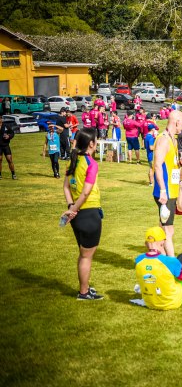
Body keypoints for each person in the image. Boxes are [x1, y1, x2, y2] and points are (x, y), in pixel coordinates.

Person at [61, 128, 104, 300]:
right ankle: (83, 293)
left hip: (77, 215)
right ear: (91, 144)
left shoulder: (72, 160)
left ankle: (85, 287)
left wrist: (71, 205)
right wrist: (74, 209)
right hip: (88, 213)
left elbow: (66, 187)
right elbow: (86, 192)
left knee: (84, 254)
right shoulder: (91, 163)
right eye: (96, 141)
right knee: (86, 256)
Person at [134, 227, 182, 310]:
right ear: (163, 242)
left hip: (150, 302)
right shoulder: (170, 261)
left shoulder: (139, 260)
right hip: (172, 302)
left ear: (146, 243)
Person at [152, 110, 182, 257]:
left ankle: (161, 258)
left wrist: (180, 163)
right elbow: (158, 165)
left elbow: (170, 163)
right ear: (176, 122)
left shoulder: (174, 139)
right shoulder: (163, 139)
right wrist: (163, 191)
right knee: (168, 230)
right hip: (165, 192)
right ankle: (171, 264)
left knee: (164, 228)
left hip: (172, 190)